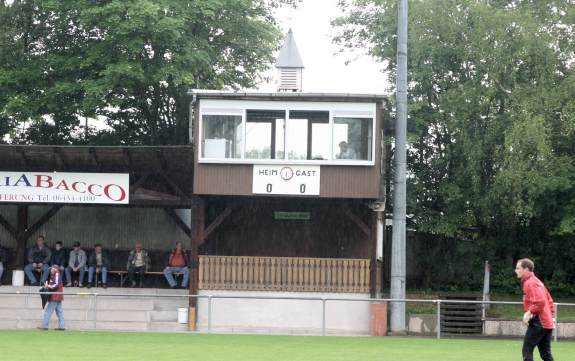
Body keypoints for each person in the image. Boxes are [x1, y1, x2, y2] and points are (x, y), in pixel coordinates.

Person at [515, 258, 555, 361]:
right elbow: (549, 301)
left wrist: (529, 312)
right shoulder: (537, 282)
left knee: (527, 350)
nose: (515, 270)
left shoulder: (530, 283)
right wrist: (552, 317)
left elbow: (540, 302)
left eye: (518, 268)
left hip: (539, 323)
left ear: (526, 269)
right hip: (547, 323)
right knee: (546, 355)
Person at [38, 265, 65, 330]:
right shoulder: (55, 275)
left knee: (48, 312)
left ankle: (44, 326)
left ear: (55, 269)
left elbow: (56, 285)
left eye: (52, 269)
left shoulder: (57, 274)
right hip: (58, 296)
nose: (50, 270)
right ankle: (62, 327)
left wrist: (48, 286)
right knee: (60, 312)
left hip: (55, 296)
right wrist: (48, 286)